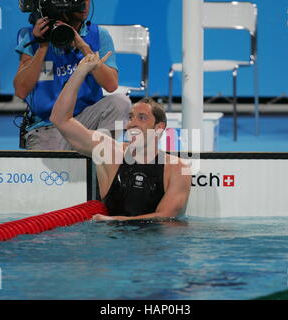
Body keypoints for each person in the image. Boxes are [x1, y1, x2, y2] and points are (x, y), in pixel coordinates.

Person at [50, 52, 192, 221]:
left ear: (159, 128)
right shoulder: (109, 152)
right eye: (131, 117)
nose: (132, 123)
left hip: (153, 243)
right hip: (114, 241)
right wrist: (80, 72)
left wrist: (115, 220)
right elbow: (60, 120)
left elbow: (166, 216)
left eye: (142, 118)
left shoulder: (177, 168)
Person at [13, 0, 131, 150]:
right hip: (47, 126)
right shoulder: (32, 37)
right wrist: (43, 45)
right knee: (52, 173)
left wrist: (82, 46)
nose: (84, 4)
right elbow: (21, 91)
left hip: (85, 122)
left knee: (120, 103)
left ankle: (99, 155)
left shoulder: (99, 35)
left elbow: (111, 85)